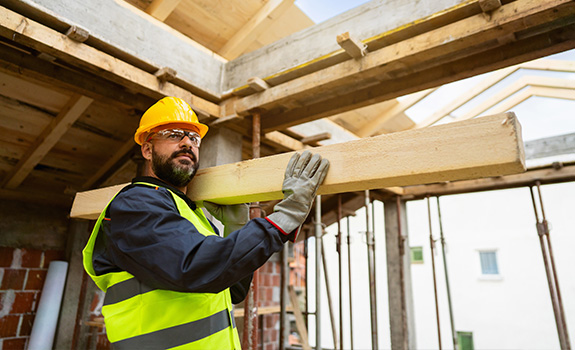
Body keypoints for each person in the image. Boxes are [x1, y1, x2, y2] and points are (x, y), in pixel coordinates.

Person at [82, 96, 330, 349]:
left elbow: (231, 290)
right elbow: (194, 267)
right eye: (173, 134)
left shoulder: (190, 215)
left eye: (193, 138)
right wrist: (284, 218)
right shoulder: (135, 205)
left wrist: (235, 229)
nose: (187, 143)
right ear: (147, 149)